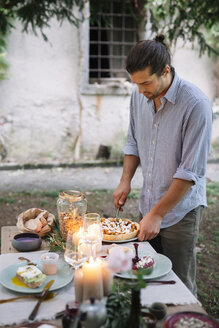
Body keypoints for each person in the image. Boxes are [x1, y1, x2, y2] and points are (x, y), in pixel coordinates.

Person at [113, 34, 213, 296]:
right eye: (136, 83)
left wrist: (158, 213)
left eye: (145, 82)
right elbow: (133, 141)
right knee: (144, 276)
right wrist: (126, 180)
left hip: (180, 212)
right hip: (148, 206)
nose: (140, 90)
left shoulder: (196, 105)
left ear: (165, 71)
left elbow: (189, 172)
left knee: (178, 284)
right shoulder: (140, 96)